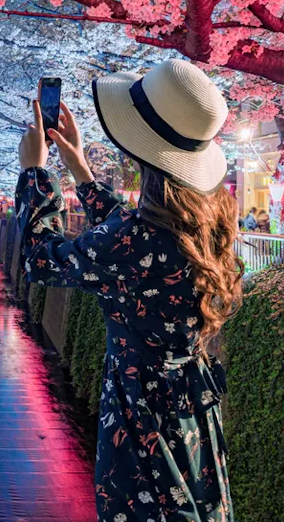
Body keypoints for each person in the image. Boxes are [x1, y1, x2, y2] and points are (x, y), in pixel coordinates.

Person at [17, 59, 237, 521]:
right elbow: (130, 241)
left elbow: (41, 260)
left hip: (143, 405)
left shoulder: (134, 238)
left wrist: (34, 173)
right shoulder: (205, 217)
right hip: (189, 399)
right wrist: (80, 171)